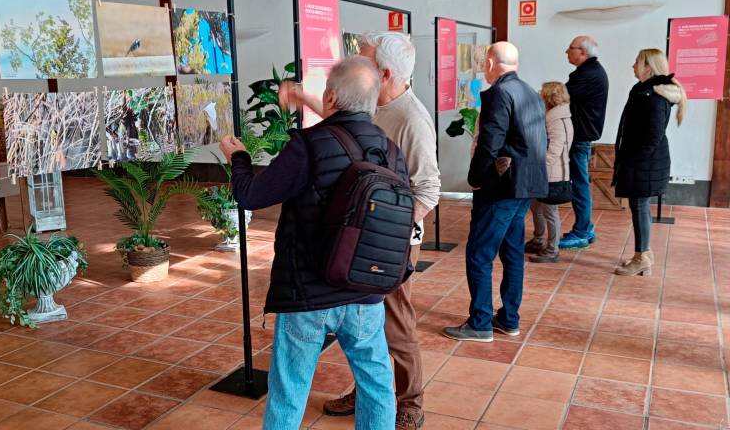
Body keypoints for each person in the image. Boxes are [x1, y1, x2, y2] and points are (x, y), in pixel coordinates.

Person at [220, 56, 406, 430]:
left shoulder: (309, 145)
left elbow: (252, 194)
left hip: (308, 292)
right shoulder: (389, 149)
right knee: (376, 383)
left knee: (290, 388)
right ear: (373, 102)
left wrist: (237, 157)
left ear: (332, 96)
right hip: (365, 290)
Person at [281, 31, 439, 430]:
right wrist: (303, 100)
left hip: (389, 241)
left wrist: (386, 229)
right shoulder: (374, 105)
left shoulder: (411, 118)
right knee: (362, 323)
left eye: (366, 61)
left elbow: (429, 189)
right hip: (354, 236)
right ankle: (368, 393)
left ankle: (409, 403)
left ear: (384, 73)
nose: (361, 67)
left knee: (395, 322)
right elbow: (344, 117)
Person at [442, 42, 548, 342]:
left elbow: (491, 140)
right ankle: (509, 319)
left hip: (500, 186)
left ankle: (480, 323)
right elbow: (543, 139)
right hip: (526, 184)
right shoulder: (530, 92)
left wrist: (475, 178)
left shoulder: (500, 93)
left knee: (479, 253)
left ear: (490, 63)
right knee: (512, 252)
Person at [612, 48, 686, 276]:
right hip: (643, 159)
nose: (633, 65)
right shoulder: (644, 91)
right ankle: (642, 253)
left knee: (640, 206)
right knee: (639, 206)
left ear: (648, 66)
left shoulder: (653, 96)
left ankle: (642, 257)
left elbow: (652, 136)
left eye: (637, 62)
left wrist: (634, 159)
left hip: (645, 161)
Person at [559, 35, 609, 250]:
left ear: (583, 52)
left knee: (579, 184)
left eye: (570, 48)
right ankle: (584, 228)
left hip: (579, 137)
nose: (566, 51)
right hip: (581, 135)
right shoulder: (589, 71)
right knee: (580, 183)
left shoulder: (588, 74)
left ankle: (582, 231)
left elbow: (561, 98)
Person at [525, 82, 574, 263]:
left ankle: (552, 249)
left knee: (550, 211)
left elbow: (555, 149)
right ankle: (538, 240)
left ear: (549, 97)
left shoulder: (554, 117)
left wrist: (540, 168)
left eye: (542, 94)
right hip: (550, 171)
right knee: (536, 206)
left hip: (551, 173)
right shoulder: (560, 114)